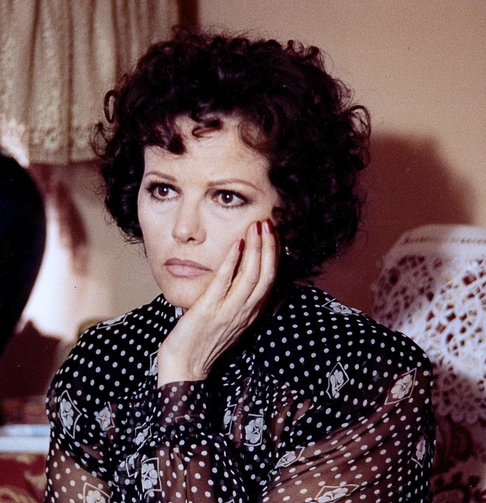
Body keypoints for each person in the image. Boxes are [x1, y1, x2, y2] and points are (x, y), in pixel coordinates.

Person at [45, 28, 435, 503]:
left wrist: (182, 373)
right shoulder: (98, 361)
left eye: (227, 197)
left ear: (291, 211)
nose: (184, 228)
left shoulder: (372, 374)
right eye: (163, 189)